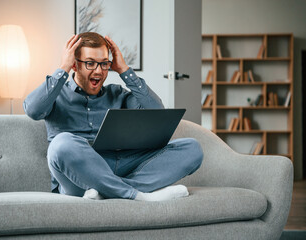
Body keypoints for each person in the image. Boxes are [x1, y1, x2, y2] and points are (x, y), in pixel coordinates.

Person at [24, 32, 203, 201]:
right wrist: (62, 67)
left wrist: (124, 70)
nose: (99, 71)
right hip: (80, 176)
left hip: (120, 166)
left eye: (104, 63)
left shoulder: (117, 94)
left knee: (191, 148)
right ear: (74, 64)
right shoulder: (56, 94)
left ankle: (109, 191)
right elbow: (33, 110)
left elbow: (156, 110)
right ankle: (140, 196)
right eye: (90, 63)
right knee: (60, 144)